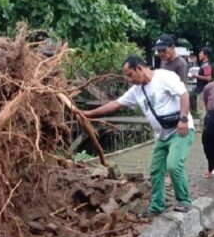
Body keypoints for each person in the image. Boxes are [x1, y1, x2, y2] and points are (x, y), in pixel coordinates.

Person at [83, 55, 195, 215]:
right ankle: (156, 207)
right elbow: (115, 104)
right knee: (156, 171)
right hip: (162, 136)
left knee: (173, 165)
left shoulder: (164, 77)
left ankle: (184, 200)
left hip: (180, 130)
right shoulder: (136, 91)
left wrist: (183, 119)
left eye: (130, 75)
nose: (129, 79)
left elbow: (184, 94)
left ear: (139, 68)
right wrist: (89, 114)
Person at [192, 47, 214, 117]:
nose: (199, 55)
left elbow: (208, 78)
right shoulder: (204, 64)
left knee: (202, 111)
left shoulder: (206, 65)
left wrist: (196, 76)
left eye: (201, 53)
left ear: (206, 55)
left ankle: (204, 127)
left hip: (203, 91)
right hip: (202, 90)